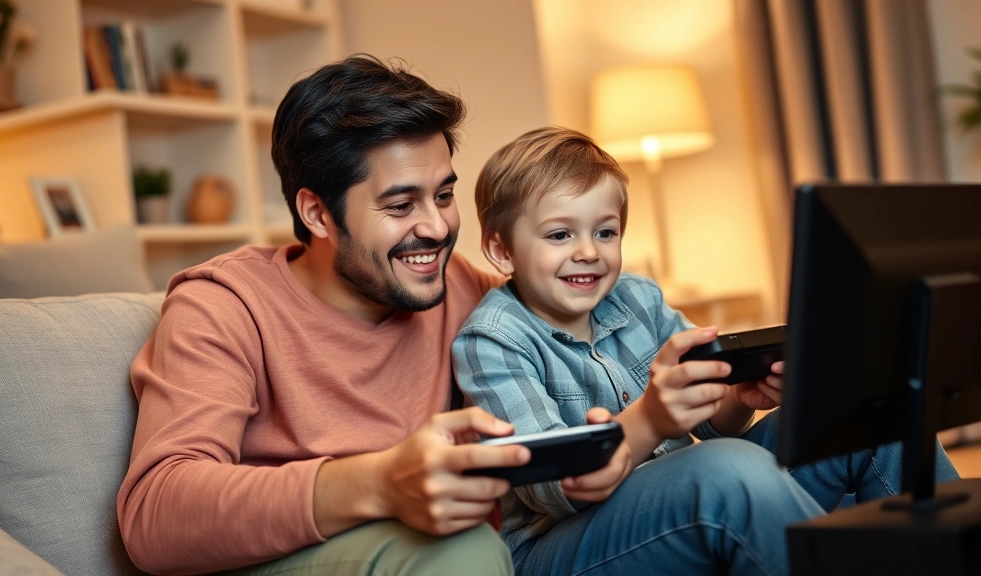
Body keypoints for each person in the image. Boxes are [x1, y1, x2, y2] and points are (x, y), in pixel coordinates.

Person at [452, 126, 961, 576]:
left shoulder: (638, 298)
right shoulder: (492, 341)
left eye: (605, 232)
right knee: (726, 469)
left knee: (876, 415)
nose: (588, 250)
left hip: (673, 502)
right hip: (561, 548)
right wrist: (649, 417)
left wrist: (741, 396)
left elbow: (712, 422)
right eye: (560, 234)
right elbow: (555, 488)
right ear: (501, 250)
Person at [116, 55, 523, 575]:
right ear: (316, 213)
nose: (438, 227)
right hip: (300, 558)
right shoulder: (223, 305)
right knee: (462, 549)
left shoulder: (461, 285)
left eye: (443, 196)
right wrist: (379, 483)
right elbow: (157, 514)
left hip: (474, 548)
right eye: (400, 206)